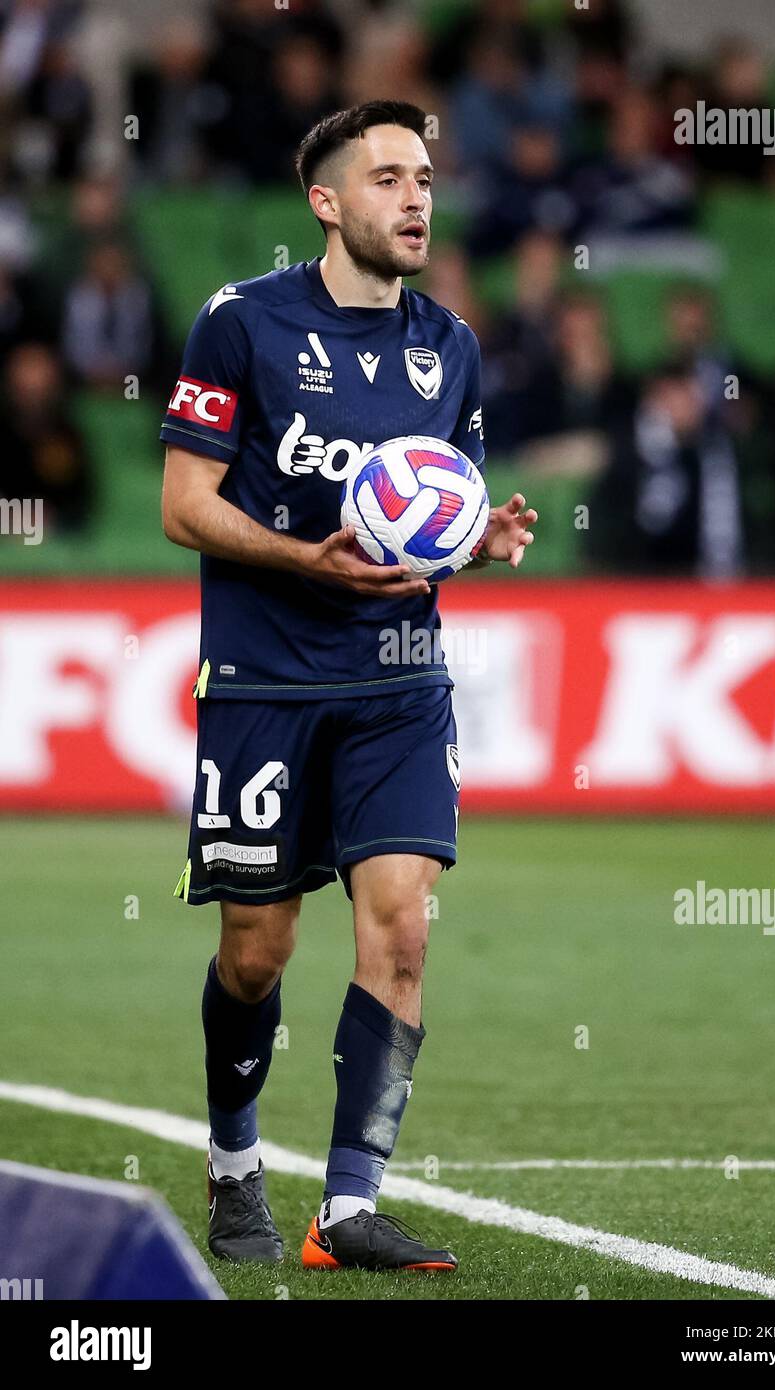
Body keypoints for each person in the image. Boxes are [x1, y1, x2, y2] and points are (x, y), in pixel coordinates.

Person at [160, 100, 536, 1273]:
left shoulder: (451, 345)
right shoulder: (241, 325)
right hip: (267, 678)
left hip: (398, 683)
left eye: (423, 175)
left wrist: (477, 541)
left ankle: (348, 1206)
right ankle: (233, 1169)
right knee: (256, 951)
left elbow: (431, 511)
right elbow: (185, 505)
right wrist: (303, 554)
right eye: (385, 178)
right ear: (325, 202)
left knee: (403, 931)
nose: (415, 197)